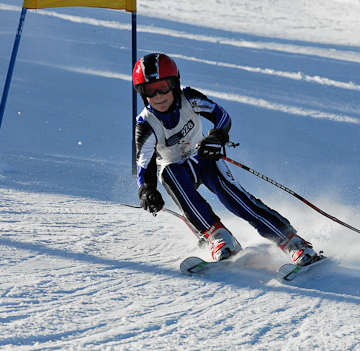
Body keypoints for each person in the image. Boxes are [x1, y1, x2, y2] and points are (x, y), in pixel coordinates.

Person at [133, 52, 319, 266]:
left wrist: (216, 138)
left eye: (163, 87)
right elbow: (144, 166)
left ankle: (292, 242)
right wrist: (146, 190)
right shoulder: (145, 125)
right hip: (177, 169)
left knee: (236, 199)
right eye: (149, 90)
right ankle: (219, 238)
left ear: (174, 83)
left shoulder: (189, 98)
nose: (158, 96)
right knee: (170, 174)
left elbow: (221, 116)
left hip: (203, 158)